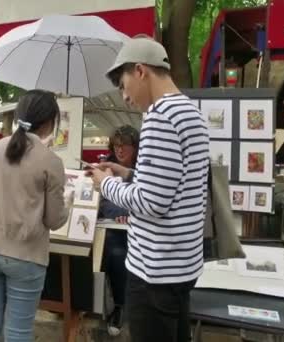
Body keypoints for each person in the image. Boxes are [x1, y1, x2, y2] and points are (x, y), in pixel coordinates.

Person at [88, 37, 209, 342]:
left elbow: (150, 203)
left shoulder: (159, 116)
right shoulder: (190, 113)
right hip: (182, 266)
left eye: (123, 84)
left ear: (140, 71)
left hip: (153, 273)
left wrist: (107, 184)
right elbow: (175, 184)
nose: (125, 97)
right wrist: (128, 173)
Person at [0, 89, 69, 342]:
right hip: (27, 257)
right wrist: (69, 202)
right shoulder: (51, 161)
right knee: (18, 333)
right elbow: (54, 220)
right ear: (48, 123)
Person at [98, 125, 139, 336]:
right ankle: (120, 306)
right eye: (117, 146)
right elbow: (104, 201)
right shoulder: (107, 166)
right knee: (116, 253)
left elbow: (147, 198)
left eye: (125, 146)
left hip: (140, 230)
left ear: (135, 147)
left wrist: (127, 211)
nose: (120, 150)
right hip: (113, 229)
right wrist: (119, 212)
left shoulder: (143, 169)